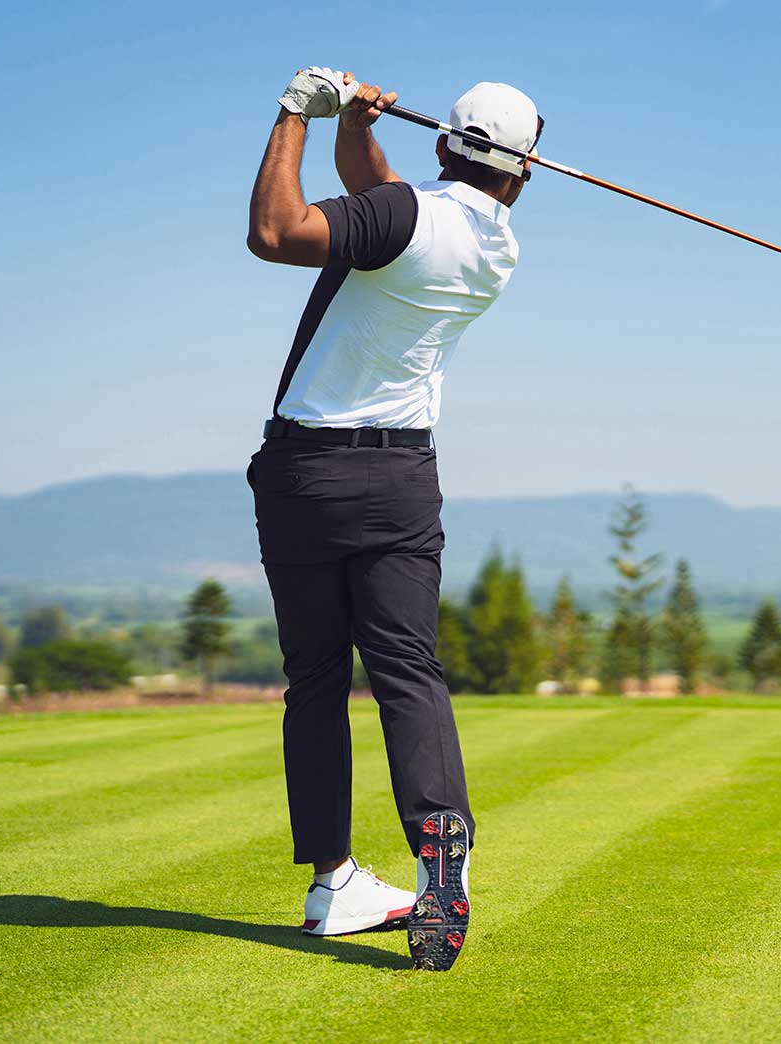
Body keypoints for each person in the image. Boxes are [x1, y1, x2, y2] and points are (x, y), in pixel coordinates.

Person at [245, 66, 541, 971]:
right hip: (402, 476)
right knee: (409, 670)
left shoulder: (403, 215)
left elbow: (276, 232)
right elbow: (382, 203)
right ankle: (437, 842)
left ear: (445, 143)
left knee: (316, 681)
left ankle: (333, 879)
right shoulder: (497, 247)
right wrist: (357, 126)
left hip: (305, 473)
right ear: (522, 172)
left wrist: (297, 111)